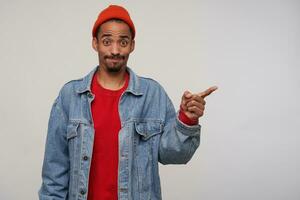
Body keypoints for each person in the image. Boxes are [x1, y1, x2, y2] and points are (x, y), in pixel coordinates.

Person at [38, 4, 217, 200]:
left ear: (132, 45)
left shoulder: (152, 94)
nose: (115, 50)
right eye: (107, 41)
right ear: (95, 43)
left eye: (123, 42)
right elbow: (54, 173)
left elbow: (174, 155)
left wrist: (187, 119)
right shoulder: (69, 96)